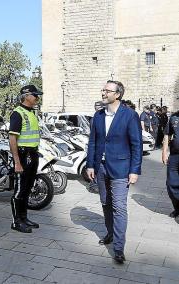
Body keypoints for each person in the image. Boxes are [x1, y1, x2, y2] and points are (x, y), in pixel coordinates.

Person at [86, 80, 142, 264]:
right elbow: (93, 142)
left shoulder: (130, 115)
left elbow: (136, 144)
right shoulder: (98, 115)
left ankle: (118, 247)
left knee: (119, 207)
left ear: (117, 94)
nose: (103, 93)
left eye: (107, 90)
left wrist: (134, 170)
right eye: (103, 89)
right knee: (105, 202)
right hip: (101, 168)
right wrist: (90, 165)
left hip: (121, 169)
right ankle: (110, 232)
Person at [8, 84, 42, 233]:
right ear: (27, 96)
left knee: (27, 188)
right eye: (35, 95)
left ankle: (24, 217)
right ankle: (16, 221)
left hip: (32, 154)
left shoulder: (32, 113)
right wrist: (17, 162)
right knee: (20, 190)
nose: (37, 98)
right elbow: (12, 139)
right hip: (23, 155)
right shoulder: (18, 113)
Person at [162, 110, 179, 221]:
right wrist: (164, 152)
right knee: (171, 184)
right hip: (174, 156)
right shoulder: (173, 117)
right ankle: (177, 208)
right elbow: (167, 135)